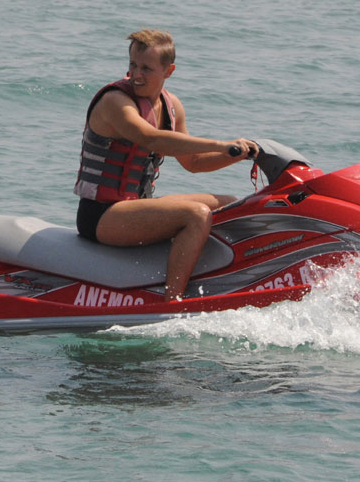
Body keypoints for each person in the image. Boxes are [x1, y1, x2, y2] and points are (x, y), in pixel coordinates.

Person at [74, 29, 258, 301]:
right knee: (195, 214)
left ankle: (225, 281)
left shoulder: (172, 107)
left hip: (134, 207)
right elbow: (150, 138)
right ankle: (173, 300)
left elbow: (193, 163)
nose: (136, 74)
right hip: (101, 215)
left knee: (230, 204)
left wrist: (238, 154)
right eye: (132, 65)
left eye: (146, 68)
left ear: (168, 71)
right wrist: (220, 144)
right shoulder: (115, 102)